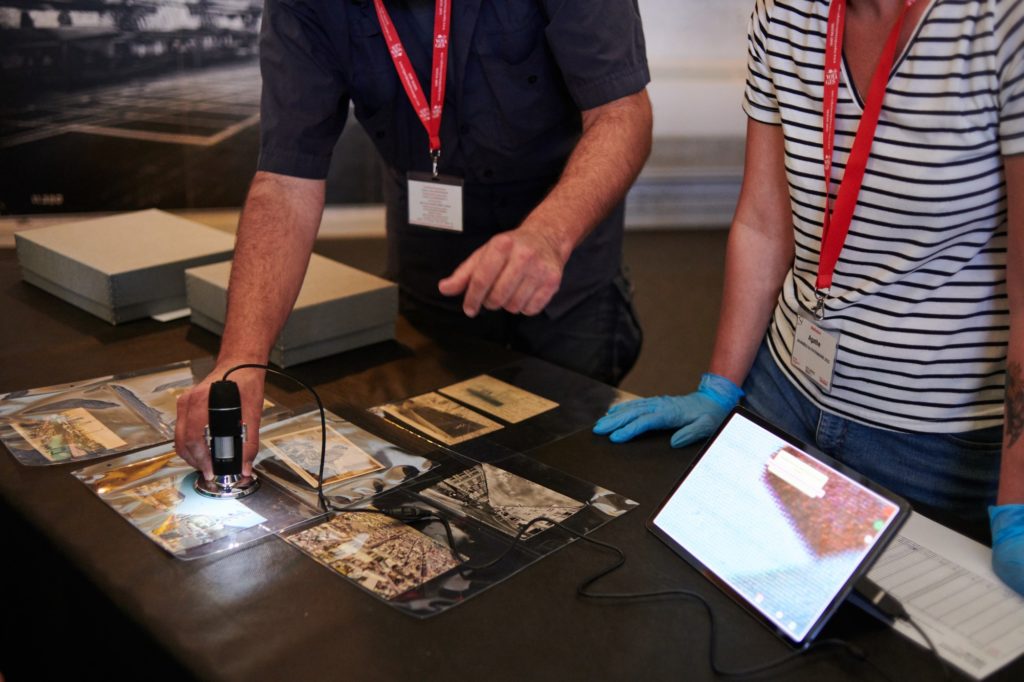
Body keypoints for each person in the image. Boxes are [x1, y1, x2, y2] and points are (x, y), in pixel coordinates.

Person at [595, 0, 1024, 594]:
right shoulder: (784, 12)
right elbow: (764, 222)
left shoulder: (998, 22)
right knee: (731, 614)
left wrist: (1017, 505)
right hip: (782, 397)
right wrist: (720, 386)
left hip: (930, 445)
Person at [175, 3, 651, 478]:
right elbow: (285, 179)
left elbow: (621, 114)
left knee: (566, 468)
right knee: (430, 466)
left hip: (562, 246)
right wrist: (239, 363)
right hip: (430, 259)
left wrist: (549, 233)